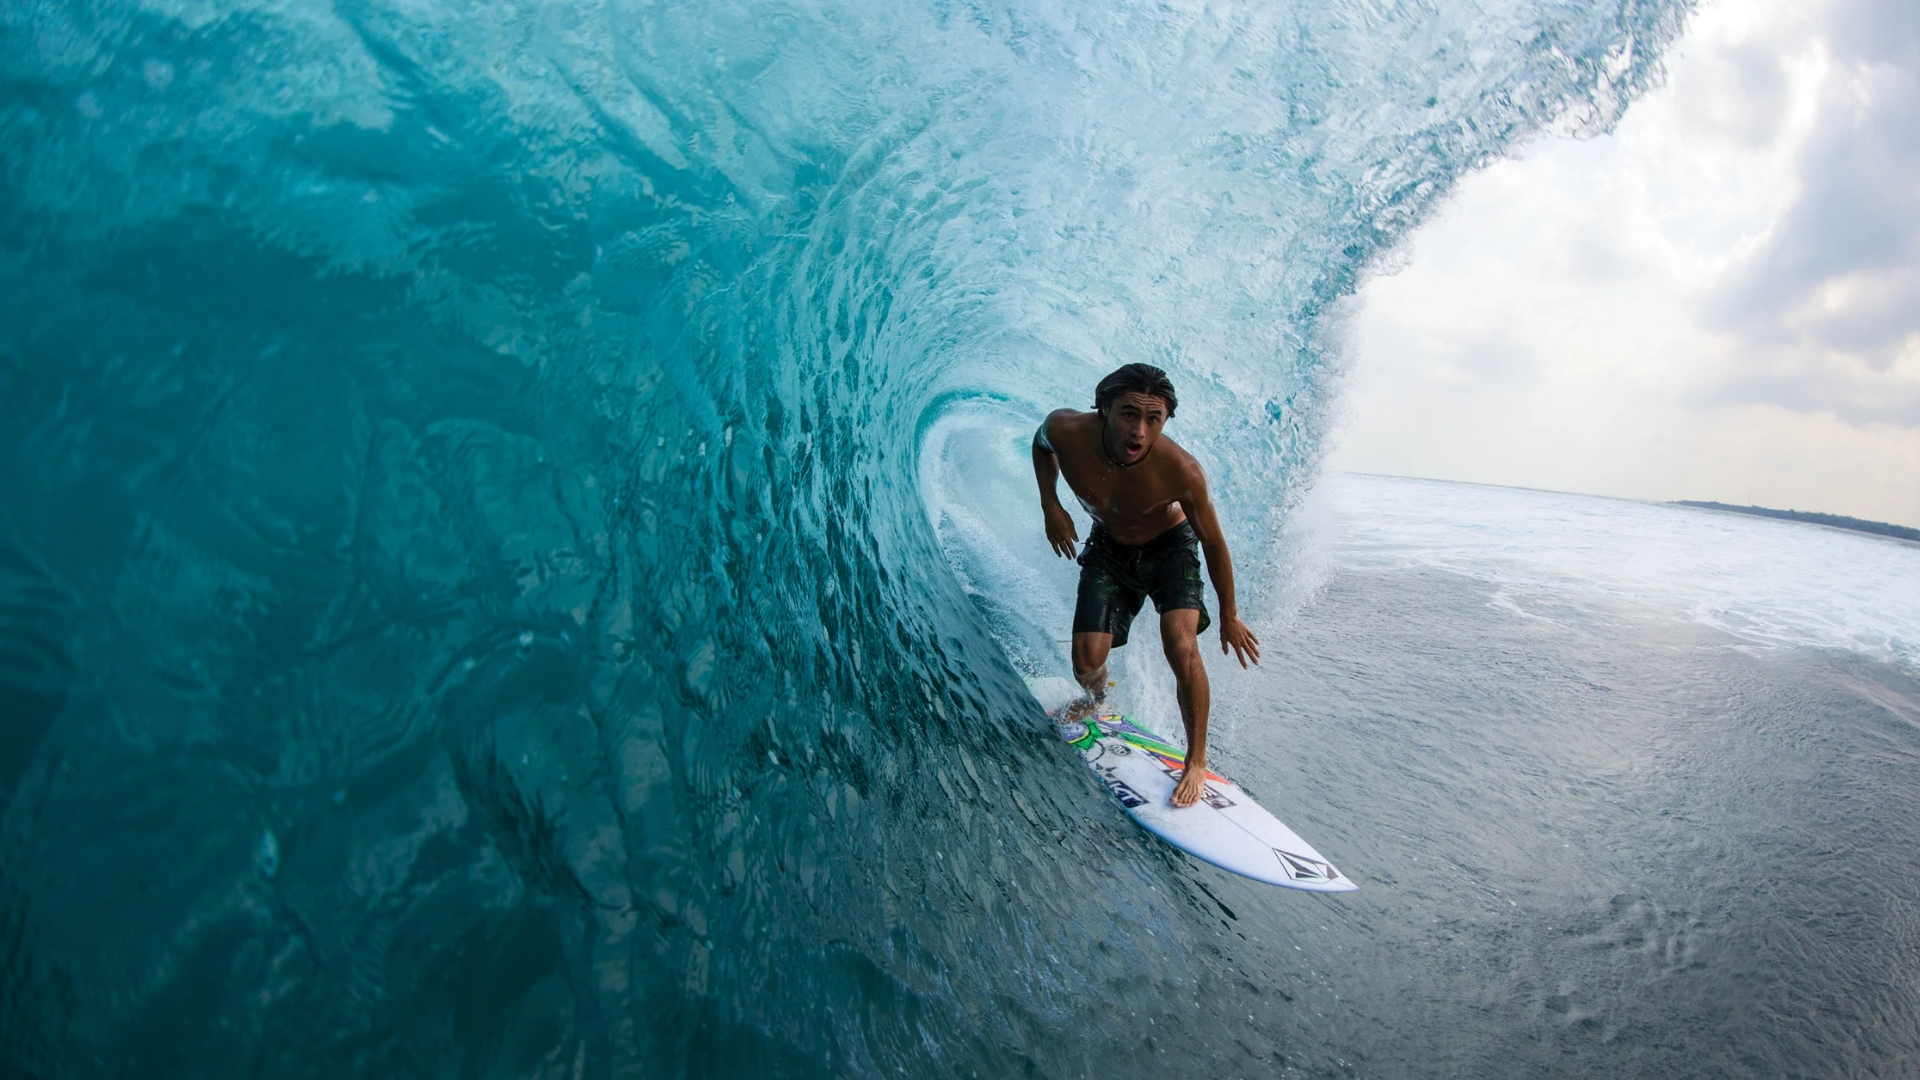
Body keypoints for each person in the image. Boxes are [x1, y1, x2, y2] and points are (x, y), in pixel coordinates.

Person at [1031, 363, 1262, 809]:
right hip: (1110, 549)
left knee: (1179, 643)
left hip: (1170, 550)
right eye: (1128, 415)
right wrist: (1050, 505)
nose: (1139, 430)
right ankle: (1096, 699)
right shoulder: (1066, 429)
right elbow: (1041, 446)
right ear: (1103, 408)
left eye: (1153, 419)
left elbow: (1212, 540)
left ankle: (1197, 759)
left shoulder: (1182, 472)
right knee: (1085, 662)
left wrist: (1229, 614)